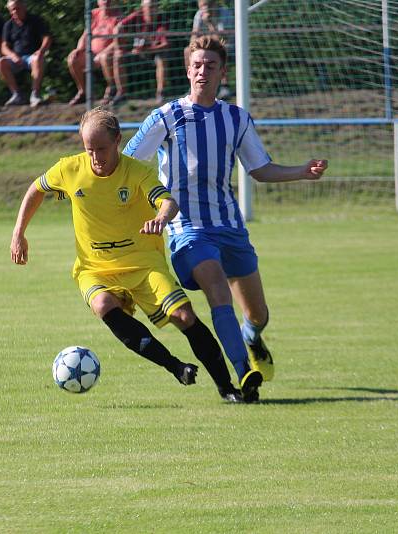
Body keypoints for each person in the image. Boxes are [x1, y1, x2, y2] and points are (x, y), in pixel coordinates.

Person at [123, 36, 328, 402]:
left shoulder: (236, 118)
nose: (203, 71)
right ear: (187, 70)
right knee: (219, 293)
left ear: (222, 72)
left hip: (231, 228)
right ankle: (242, 371)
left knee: (259, 314)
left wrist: (302, 171)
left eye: (210, 65)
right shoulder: (166, 117)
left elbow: (260, 169)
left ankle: (251, 337)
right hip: (188, 230)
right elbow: (128, 164)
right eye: (197, 65)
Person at [11, 108, 243, 403]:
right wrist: (19, 232)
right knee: (103, 304)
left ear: (118, 140)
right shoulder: (70, 169)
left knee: (183, 315)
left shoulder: (137, 172)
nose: (96, 157)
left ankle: (227, 388)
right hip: (94, 269)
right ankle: (175, 367)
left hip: (144, 265)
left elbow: (167, 202)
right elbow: (36, 189)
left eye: (102, 149)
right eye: (89, 149)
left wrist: (161, 217)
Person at [0, 0, 53, 107]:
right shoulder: (8, 25)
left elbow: (47, 38)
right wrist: (13, 56)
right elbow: (4, 47)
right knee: (0, 63)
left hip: (33, 57)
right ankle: (16, 95)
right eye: (13, 9)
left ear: (24, 7)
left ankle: (35, 95)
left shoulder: (36, 20)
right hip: (16, 58)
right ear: (10, 11)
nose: (15, 11)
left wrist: (41, 51)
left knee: (37, 59)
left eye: (18, 8)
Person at [112, 0, 169, 105]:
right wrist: (120, 48)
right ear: (143, 7)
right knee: (117, 57)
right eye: (149, 7)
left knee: (162, 58)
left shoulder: (162, 20)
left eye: (154, 7)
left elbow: (165, 44)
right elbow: (117, 29)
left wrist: (147, 49)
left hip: (154, 52)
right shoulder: (137, 16)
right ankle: (121, 93)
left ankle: (160, 93)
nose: (152, 10)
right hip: (136, 52)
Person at [66, 0, 120, 106]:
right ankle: (83, 92)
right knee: (73, 59)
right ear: (98, 2)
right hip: (91, 53)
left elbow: (118, 40)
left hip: (109, 53)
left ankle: (110, 90)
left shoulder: (118, 16)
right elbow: (86, 34)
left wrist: (104, 52)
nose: (106, 1)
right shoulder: (95, 14)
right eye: (103, 0)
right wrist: (79, 49)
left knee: (105, 57)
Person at [184, 0, 234, 100]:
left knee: (222, 50)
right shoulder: (199, 14)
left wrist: (210, 23)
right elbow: (193, 38)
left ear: (214, 4)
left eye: (206, 5)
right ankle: (193, 85)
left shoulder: (225, 13)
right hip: (206, 47)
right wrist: (195, 47)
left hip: (227, 46)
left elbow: (222, 41)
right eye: (201, 6)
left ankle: (225, 86)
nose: (204, 8)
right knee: (187, 51)